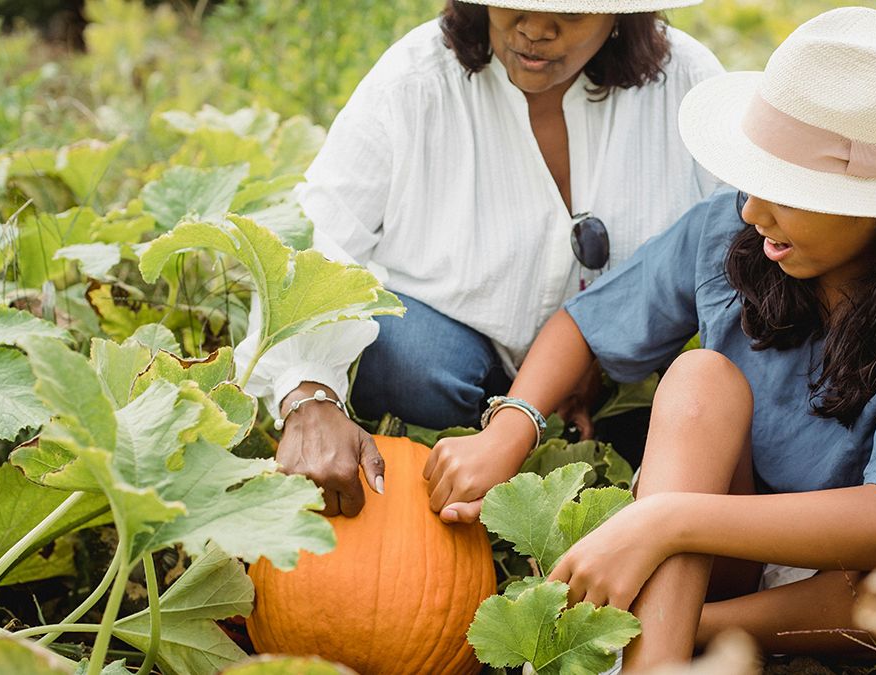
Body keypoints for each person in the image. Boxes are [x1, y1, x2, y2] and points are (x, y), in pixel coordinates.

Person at [423, 6, 876, 670]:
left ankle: (678, 629)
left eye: (788, 190)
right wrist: (511, 426)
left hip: (849, 584)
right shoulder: (731, 232)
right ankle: (658, 659)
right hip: (722, 543)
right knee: (701, 379)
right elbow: (583, 323)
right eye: (755, 179)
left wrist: (663, 521)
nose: (753, 210)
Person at [233, 0, 724, 518]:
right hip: (457, 362)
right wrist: (308, 392)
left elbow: (738, 242)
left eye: (572, 14)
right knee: (403, 359)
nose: (534, 29)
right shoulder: (413, 80)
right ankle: (480, 450)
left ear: (621, 13)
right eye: (512, 3)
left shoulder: (686, 84)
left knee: (683, 397)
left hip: (620, 375)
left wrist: (603, 350)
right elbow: (320, 235)